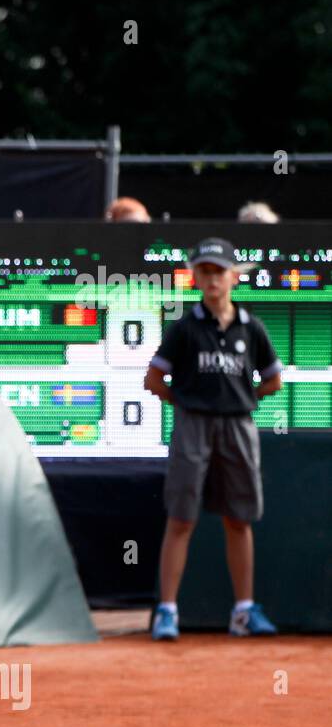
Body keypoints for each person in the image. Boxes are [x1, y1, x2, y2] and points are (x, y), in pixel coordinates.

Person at [143, 238, 283, 642]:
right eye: (204, 271)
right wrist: (185, 403)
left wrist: (243, 400)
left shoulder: (251, 327)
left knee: (239, 519)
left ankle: (243, 612)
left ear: (235, 278)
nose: (212, 279)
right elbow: (153, 379)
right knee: (181, 517)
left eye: (219, 271)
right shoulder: (185, 328)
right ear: (196, 278)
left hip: (239, 427)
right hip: (193, 427)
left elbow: (273, 379)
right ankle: (167, 612)